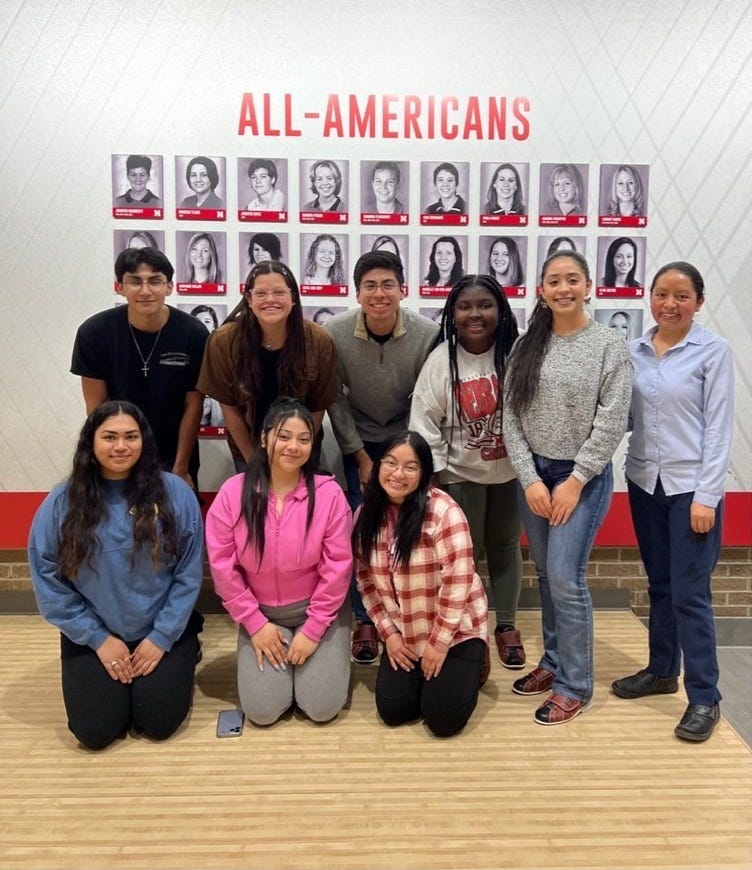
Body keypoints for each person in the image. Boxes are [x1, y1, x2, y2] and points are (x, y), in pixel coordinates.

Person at [27, 401, 204, 750]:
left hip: (161, 631)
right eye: (109, 437)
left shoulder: (175, 493)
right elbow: (47, 577)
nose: (120, 446)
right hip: (95, 635)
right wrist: (96, 638)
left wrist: (163, 636)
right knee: (95, 732)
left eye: (130, 436)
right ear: (91, 443)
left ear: (144, 441)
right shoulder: (62, 502)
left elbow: (188, 573)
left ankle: (185, 651)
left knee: (158, 723)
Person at [503, 249, 632, 725]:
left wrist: (575, 481)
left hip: (583, 478)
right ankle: (554, 663)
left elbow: (612, 421)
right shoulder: (525, 345)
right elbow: (509, 417)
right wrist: (530, 478)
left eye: (572, 279)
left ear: (588, 285)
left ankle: (575, 685)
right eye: (554, 280)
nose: (563, 288)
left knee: (565, 577)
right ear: (541, 289)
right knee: (545, 574)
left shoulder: (608, 345)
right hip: (535, 478)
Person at [611, 262, 734, 743]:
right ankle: (662, 670)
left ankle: (705, 696)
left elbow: (719, 429)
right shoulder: (633, 352)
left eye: (682, 296)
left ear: (699, 302)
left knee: (691, 594)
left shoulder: (712, 351)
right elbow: (619, 416)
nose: (670, 304)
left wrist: (708, 496)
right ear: (650, 299)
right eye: (662, 294)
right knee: (659, 585)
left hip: (691, 492)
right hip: (645, 483)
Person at [206, 399, 353, 726]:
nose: (293, 446)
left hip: (319, 611)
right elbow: (223, 566)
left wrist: (314, 630)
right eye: (284, 436)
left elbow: (338, 569)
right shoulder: (233, 493)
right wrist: (254, 624)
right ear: (263, 438)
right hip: (260, 613)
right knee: (262, 712)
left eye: (304, 439)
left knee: (320, 707)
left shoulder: (329, 496)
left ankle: (326, 650)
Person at [323, 250, 439, 664]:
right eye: (370, 285)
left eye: (388, 284)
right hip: (357, 440)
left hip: (406, 438)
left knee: (410, 525)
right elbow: (333, 398)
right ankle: (365, 619)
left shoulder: (427, 333)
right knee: (361, 526)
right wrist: (360, 457)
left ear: (402, 289)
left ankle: (408, 615)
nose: (379, 293)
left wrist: (400, 457)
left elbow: (427, 397)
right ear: (357, 292)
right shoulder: (333, 332)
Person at [410, 274, 525, 669]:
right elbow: (424, 423)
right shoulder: (442, 360)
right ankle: (467, 626)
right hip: (460, 474)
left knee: (506, 548)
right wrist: (438, 476)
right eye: (465, 306)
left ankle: (507, 626)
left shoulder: (518, 353)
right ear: (452, 313)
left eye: (485, 305)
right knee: (465, 556)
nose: (475, 313)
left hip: (511, 472)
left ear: (501, 310)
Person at [353, 431, 489, 737]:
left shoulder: (443, 512)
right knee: (393, 709)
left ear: (424, 473)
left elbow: (459, 583)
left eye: (410, 467)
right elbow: (365, 582)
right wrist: (388, 634)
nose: (398, 474)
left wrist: (439, 645)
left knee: (442, 719)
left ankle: (475, 659)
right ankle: (436, 682)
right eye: (390, 463)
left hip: (454, 630)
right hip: (405, 631)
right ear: (377, 467)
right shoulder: (364, 516)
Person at [71, 247, 208, 490]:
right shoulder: (94, 333)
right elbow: (96, 409)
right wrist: (112, 462)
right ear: (119, 287)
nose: (145, 291)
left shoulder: (193, 333)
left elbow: (194, 405)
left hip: (175, 454)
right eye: (135, 281)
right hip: (119, 454)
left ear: (169, 286)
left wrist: (181, 468)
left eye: (155, 281)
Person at [197, 260, 337, 471]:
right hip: (248, 447)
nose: (270, 300)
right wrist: (253, 461)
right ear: (249, 299)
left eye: (279, 292)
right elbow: (230, 409)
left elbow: (318, 407)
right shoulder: (223, 341)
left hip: (301, 450)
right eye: (261, 293)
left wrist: (299, 450)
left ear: (293, 298)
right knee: (255, 503)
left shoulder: (318, 341)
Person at [189, 306, 224, 427]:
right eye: (198, 321)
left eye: (207, 321)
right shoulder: (185, 352)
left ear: (214, 325)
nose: (202, 325)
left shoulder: (223, 352)